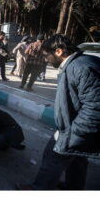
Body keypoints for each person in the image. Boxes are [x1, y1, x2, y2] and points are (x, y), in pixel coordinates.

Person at [17, 34, 100, 190]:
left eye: (47, 55)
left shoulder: (80, 67)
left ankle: (39, 189)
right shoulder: (76, 64)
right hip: (76, 126)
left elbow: (95, 106)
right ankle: (73, 187)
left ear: (59, 51)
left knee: (53, 156)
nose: (46, 59)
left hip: (75, 129)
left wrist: (74, 133)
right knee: (78, 159)